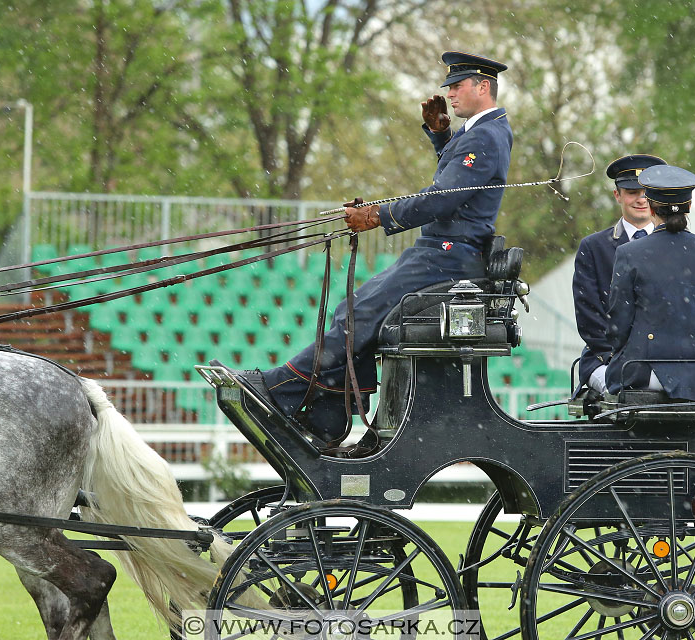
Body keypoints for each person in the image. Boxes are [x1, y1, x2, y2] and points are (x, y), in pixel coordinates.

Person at [213, 50, 513, 442]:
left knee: (359, 314)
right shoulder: (480, 133)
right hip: (441, 252)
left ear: (483, 86)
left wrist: (378, 215)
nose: (451, 94)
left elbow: (443, 197)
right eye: (450, 87)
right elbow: (459, 185)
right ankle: (327, 412)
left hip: (448, 256)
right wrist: (441, 137)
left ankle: (282, 389)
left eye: (457, 86)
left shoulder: (487, 135)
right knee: (352, 311)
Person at [605, 164, 695, 401]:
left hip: (645, 373)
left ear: (651, 206)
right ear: (689, 206)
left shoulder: (629, 254)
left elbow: (618, 325)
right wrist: (693, 345)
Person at [572, 154, 667, 395]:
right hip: (608, 359)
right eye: (632, 192)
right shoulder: (594, 248)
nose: (641, 199)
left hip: (666, 361)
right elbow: (589, 315)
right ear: (618, 195)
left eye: (648, 191)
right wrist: (617, 358)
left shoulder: (678, 246)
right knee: (622, 394)